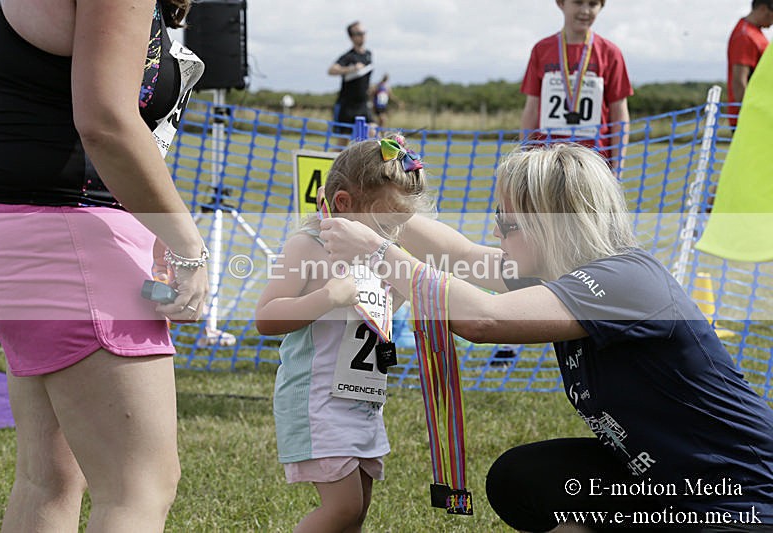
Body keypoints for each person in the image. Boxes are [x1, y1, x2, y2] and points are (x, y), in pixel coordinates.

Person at [319, 143, 773, 532]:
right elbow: (456, 255)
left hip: (739, 497)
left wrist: (377, 251)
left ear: (554, 225)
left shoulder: (625, 280)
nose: (496, 230)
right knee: (521, 477)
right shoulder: (561, 273)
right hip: (671, 487)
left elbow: (483, 320)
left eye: (508, 220)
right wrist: (370, 207)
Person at [0, 0, 208, 530]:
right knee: (138, 488)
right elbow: (105, 120)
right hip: (68, 234)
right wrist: (187, 243)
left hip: (24, 230)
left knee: (48, 478)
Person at [256, 135, 431, 533]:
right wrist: (324, 298)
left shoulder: (377, 252)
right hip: (318, 398)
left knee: (357, 510)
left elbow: (374, 314)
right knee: (343, 508)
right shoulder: (308, 245)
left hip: (362, 397)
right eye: (386, 224)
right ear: (344, 204)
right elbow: (266, 317)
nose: (390, 237)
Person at [519, 0, 632, 174]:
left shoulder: (610, 53)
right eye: (578, 2)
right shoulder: (541, 50)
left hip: (594, 161)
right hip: (546, 160)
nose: (585, 10)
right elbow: (532, 109)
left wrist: (618, 166)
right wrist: (524, 157)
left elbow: (619, 113)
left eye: (593, 4)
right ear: (561, 3)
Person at [727, 0, 773, 127]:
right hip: (751, 120)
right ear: (763, 9)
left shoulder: (755, 33)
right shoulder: (745, 35)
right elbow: (739, 82)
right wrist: (751, 116)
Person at [328, 21, 373, 147]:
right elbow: (331, 70)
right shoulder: (348, 57)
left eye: (364, 32)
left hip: (363, 104)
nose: (363, 35)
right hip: (347, 106)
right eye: (359, 33)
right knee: (342, 146)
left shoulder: (368, 55)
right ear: (352, 37)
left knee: (374, 134)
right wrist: (351, 69)